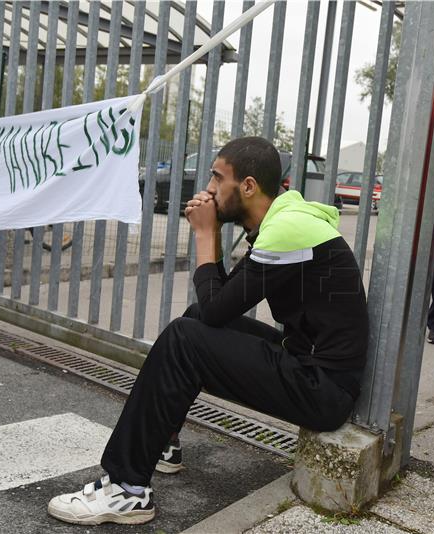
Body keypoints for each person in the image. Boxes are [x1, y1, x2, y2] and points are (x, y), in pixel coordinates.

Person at [47, 136, 369, 525]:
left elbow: (220, 310)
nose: (209, 190)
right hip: (306, 364)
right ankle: (163, 441)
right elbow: (217, 305)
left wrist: (203, 234)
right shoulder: (285, 221)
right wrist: (212, 236)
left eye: (218, 179)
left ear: (248, 187)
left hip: (323, 389)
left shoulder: (290, 229)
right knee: (194, 318)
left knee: (186, 337)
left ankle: (126, 488)